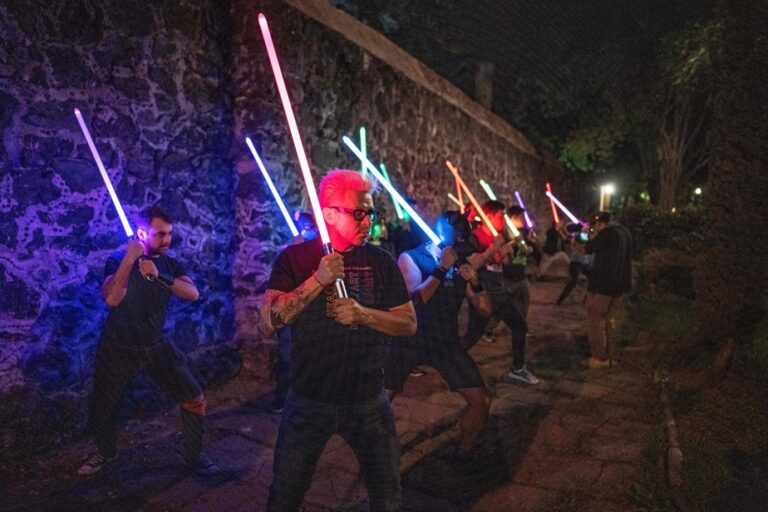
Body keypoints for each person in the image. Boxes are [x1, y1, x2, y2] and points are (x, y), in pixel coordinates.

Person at [259, 169, 417, 512]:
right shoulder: (295, 259)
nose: (369, 222)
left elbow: (408, 322)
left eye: (371, 213)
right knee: (285, 496)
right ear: (329, 214)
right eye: (359, 213)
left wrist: (365, 315)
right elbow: (269, 321)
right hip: (308, 400)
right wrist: (318, 280)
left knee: (388, 496)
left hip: (368, 401)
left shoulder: (380, 260)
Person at [77, 206, 219, 477]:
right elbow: (112, 299)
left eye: (170, 234)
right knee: (102, 408)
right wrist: (129, 262)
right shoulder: (117, 259)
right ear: (141, 232)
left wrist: (159, 275)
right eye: (160, 234)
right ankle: (106, 453)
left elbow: (192, 293)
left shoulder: (170, 263)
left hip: (156, 345)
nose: (167, 240)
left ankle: (194, 455)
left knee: (193, 398)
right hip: (118, 347)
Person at [385, 211, 493, 454]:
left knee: (481, 401)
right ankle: (377, 454)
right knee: (380, 403)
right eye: (455, 240)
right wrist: (441, 269)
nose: (459, 246)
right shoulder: (411, 258)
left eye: (462, 241)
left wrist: (475, 282)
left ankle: (464, 452)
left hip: (445, 342)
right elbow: (414, 302)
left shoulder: (461, 263)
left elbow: (485, 309)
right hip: (408, 339)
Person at [270, 212, 319, 414]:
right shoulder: (288, 252)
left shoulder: (320, 251)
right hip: (290, 309)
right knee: (286, 356)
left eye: (307, 226)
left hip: (310, 311)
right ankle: (282, 399)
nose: (303, 230)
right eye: (301, 226)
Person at [576, 211, 632, 368]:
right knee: (612, 322)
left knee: (596, 320)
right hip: (620, 285)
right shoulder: (625, 232)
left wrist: (576, 240)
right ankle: (614, 356)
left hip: (603, 285)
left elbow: (587, 249)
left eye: (595, 227)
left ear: (599, 223)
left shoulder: (606, 233)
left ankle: (600, 358)